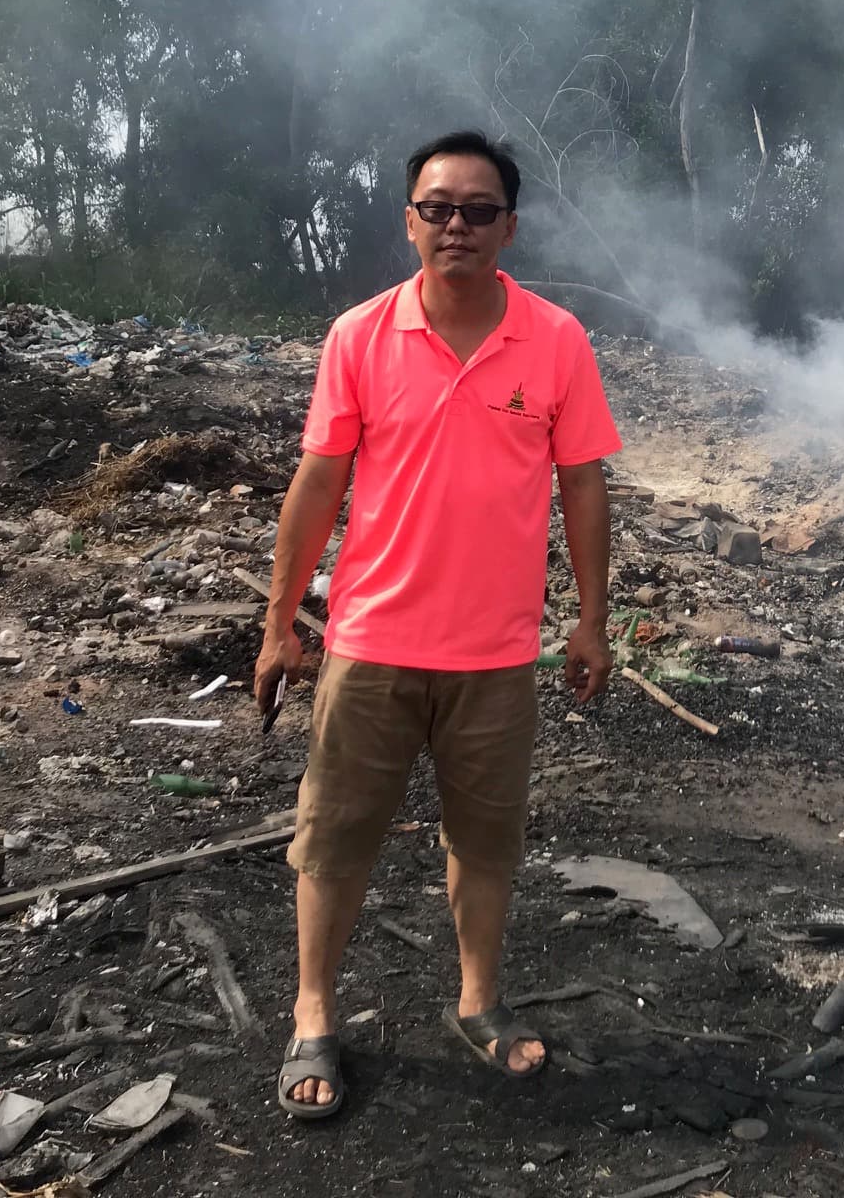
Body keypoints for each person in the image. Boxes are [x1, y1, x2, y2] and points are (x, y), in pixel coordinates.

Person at [254, 129, 619, 1118]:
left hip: (498, 655)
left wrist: (591, 620)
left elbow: (582, 484)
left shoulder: (555, 342)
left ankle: (478, 1001)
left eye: (478, 210)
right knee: (332, 841)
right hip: (370, 645)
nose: (456, 225)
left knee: (487, 841)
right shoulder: (360, 337)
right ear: (410, 218)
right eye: (438, 207)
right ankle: (315, 1012)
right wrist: (280, 620)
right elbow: (319, 483)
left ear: (510, 225)